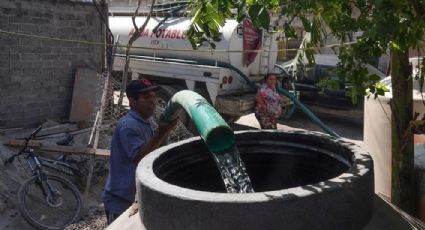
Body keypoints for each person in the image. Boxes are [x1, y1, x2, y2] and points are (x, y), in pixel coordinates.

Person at [102, 79, 177, 225]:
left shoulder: (146, 122)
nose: (153, 101)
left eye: (153, 96)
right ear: (132, 101)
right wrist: (161, 133)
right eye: (146, 97)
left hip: (135, 199)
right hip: (121, 202)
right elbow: (139, 158)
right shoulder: (128, 126)